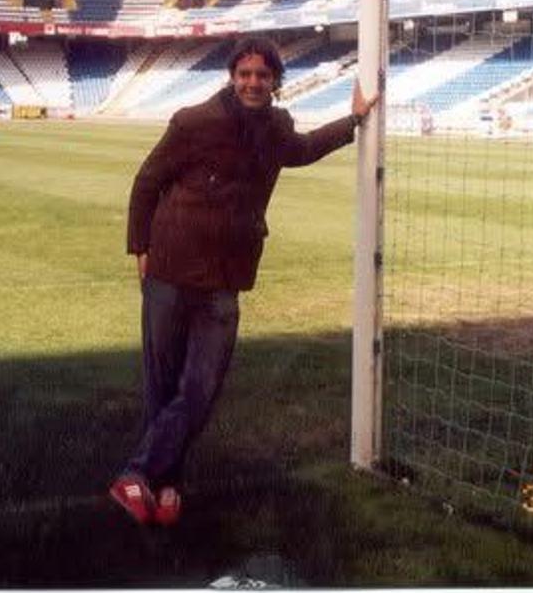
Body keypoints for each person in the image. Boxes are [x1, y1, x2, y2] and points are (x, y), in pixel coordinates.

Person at [109, 37, 379, 527]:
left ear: (275, 81)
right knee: (163, 385)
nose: (253, 82)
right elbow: (147, 181)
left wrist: (353, 121)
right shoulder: (194, 121)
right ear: (232, 77)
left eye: (263, 75)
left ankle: (138, 473)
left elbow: (301, 150)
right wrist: (140, 249)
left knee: (201, 388)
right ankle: (165, 485)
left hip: (224, 278)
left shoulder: (277, 126)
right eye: (245, 74)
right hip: (170, 268)